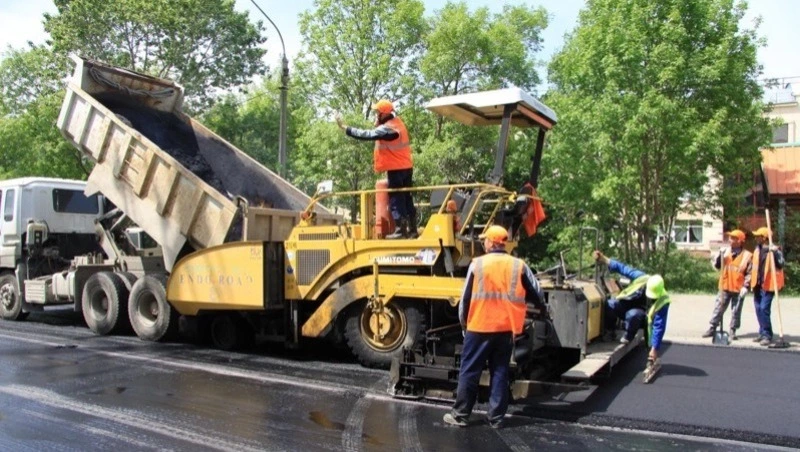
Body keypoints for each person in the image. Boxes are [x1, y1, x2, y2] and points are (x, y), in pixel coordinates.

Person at [443, 225, 545, 429]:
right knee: (500, 371)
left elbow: (465, 300)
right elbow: (537, 293)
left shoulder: (477, 264)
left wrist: (464, 324)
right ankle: (496, 418)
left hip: (479, 327)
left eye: (485, 240)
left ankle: (461, 415)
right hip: (506, 329)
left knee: (470, 370)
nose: (484, 243)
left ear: (490, 242)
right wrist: (536, 313)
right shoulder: (518, 265)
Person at [336, 100, 416, 238]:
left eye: (376, 113)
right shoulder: (397, 123)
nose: (375, 116)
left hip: (396, 169)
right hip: (406, 167)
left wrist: (345, 128)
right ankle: (412, 230)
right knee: (406, 197)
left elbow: (367, 134)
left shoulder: (388, 129)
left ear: (383, 114)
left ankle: (400, 230)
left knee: (396, 199)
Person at [593, 251, 670, 381]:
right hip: (627, 305)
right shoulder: (642, 278)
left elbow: (659, 326)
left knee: (633, 314)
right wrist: (605, 259)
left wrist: (655, 349)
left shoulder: (663, 301)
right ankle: (610, 331)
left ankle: (629, 335)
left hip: (640, 316)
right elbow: (624, 269)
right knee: (610, 304)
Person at [702, 230, 752, 340]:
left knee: (736, 310)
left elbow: (749, 273)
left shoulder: (747, 256)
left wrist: (746, 286)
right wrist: (720, 256)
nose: (730, 240)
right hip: (724, 286)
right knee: (718, 308)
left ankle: (732, 330)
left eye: (733, 238)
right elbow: (718, 266)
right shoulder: (726, 252)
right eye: (730, 238)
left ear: (739, 241)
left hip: (739, 288)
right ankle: (712, 327)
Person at [749, 227, 785, 346]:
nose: (756, 238)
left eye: (758, 236)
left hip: (769, 285)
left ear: (764, 238)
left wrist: (775, 252)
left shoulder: (774, 250)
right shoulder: (757, 250)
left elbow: (781, 264)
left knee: (764, 308)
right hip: (757, 285)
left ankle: (767, 335)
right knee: (759, 309)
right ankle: (762, 331)